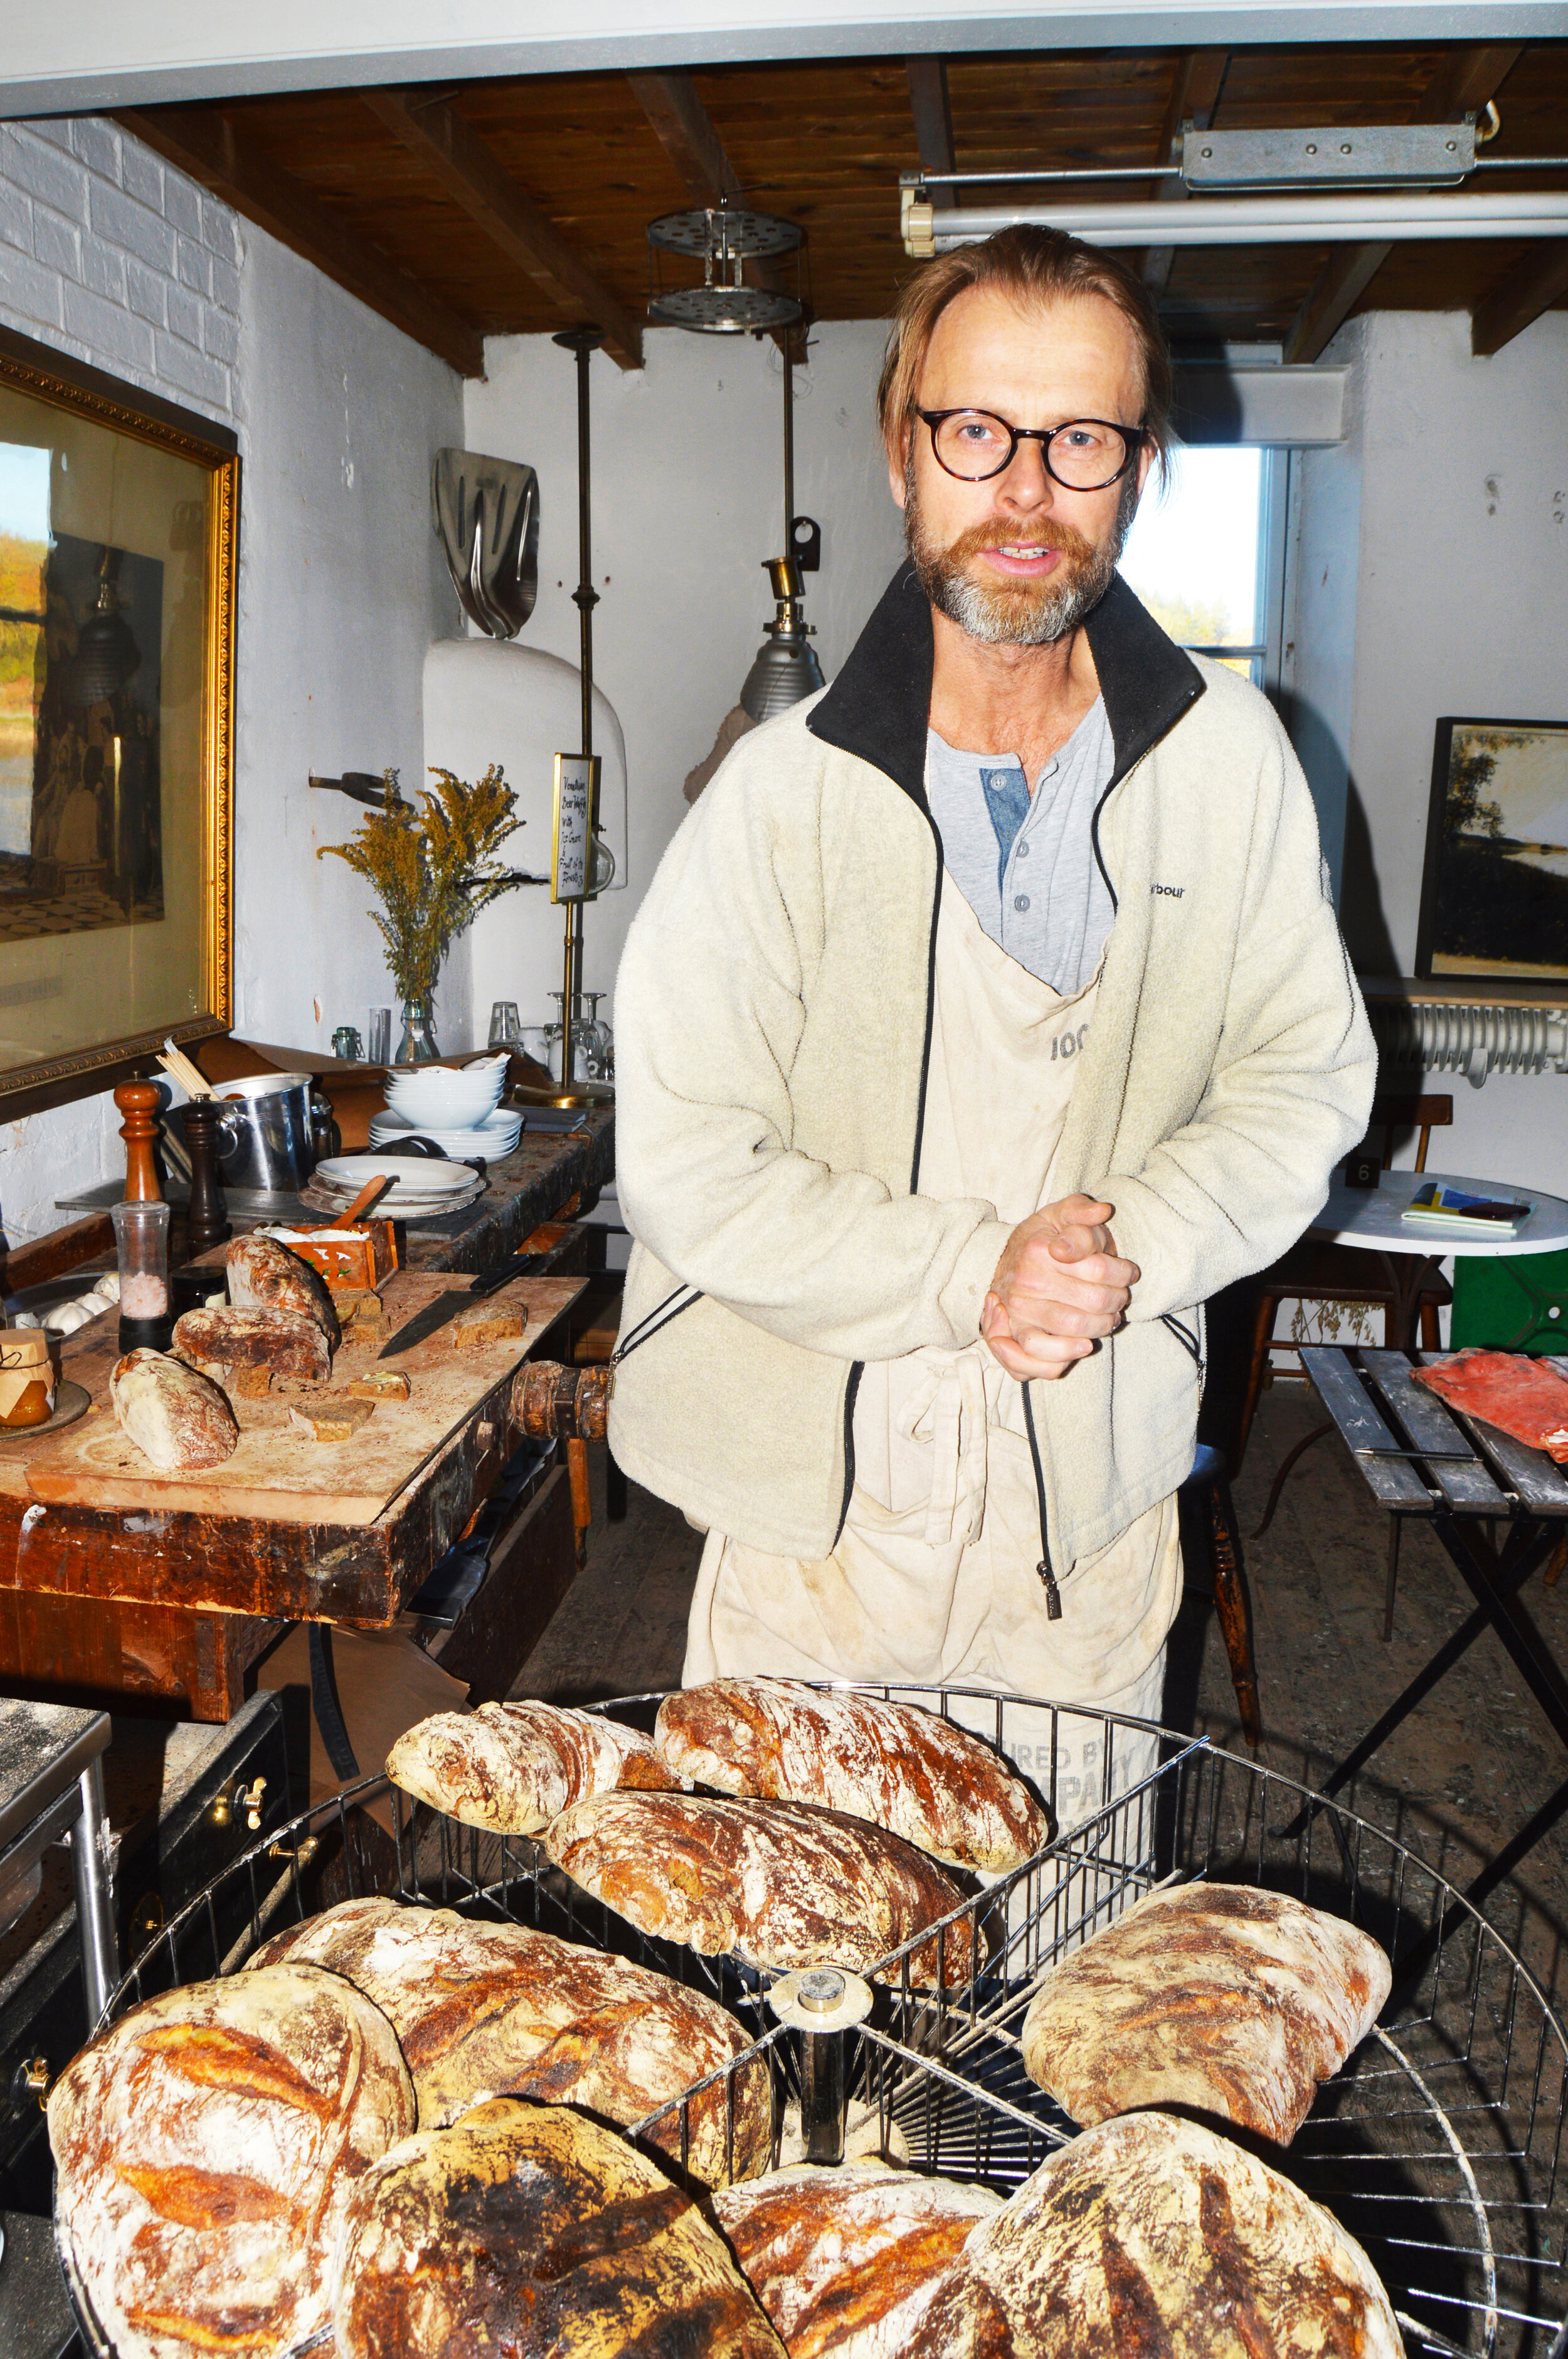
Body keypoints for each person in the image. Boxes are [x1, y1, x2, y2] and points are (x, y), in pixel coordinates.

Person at [609, 226, 1374, 1821]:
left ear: (1134, 470)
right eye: (976, 430)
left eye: (1078, 438)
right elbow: (685, 1156)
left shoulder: (1230, 762)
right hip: (814, 1518)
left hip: (1080, 1518)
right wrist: (971, 1272)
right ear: (904, 453)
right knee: (787, 1971)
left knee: (1053, 1964)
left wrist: (1118, 1250)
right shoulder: (778, 793)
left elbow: (1302, 1077)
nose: (1024, 489)